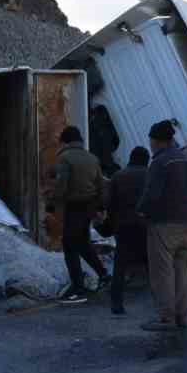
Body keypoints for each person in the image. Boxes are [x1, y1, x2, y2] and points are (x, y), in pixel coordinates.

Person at [137, 120, 187, 332]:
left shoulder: (160, 162)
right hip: (185, 224)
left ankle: (166, 318)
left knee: (162, 272)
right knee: (181, 270)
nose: (150, 145)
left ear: (157, 141)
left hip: (162, 225)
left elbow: (151, 194)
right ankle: (182, 316)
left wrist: (141, 210)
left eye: (151, 141)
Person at [50, 125, 108, 304]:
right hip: (90, 206)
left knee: (69, 245)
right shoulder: (92, 158)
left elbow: (62, 183)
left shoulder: (64, 157)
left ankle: (78, 287)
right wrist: (99, 207)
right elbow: (101, 184)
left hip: (74, 206)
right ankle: (104, 275)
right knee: (82, 242)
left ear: (65, 141)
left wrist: (53, 203)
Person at [105, 147, 152, 316]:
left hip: (123, 225)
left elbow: (109, 204)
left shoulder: (118, 176)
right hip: (146, 225)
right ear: (146, 160)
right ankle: (160, 301)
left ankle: (116, 303)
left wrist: (113, 224)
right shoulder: (150, 175)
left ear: (131, 158)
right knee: (152, 264)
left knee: (120, 265)